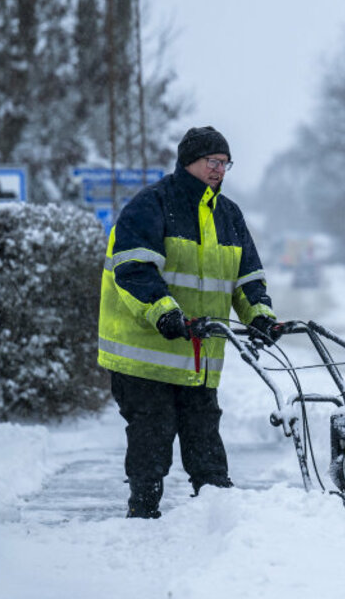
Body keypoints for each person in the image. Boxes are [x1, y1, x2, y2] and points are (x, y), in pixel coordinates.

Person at [97, 126, 284, 518]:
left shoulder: (228, 215)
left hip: (198, 358)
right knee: (152, 437)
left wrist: (261, 317)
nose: (219, 169)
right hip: (145, 356)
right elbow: (133, 269)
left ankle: (220, 521)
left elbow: (247, 279)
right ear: (188, 162)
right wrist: (165, 312)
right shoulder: (152, 205)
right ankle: (142, 516)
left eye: (225, 163)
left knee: (205, 443)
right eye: (212, 161)